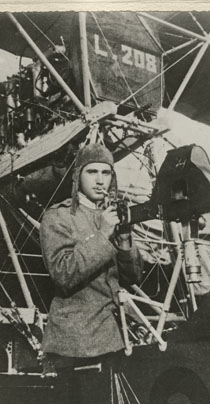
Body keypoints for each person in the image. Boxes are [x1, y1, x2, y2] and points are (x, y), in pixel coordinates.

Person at [40, 142, 141, 374]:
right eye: (92, 172)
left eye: (106, 173)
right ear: (77, 177)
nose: (100, 180)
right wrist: (103, 235)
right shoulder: (59, 217)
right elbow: (63, 274)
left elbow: (133, 278)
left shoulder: (111, 216)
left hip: (116, 335)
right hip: (77, 342)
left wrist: (125, 241)